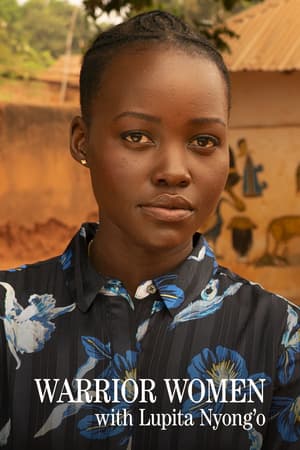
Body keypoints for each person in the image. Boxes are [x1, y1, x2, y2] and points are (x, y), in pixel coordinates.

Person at [0, 10, 299, 450]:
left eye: (203, 141)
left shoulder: (280, 337)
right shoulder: (9, 319)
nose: (174, 172)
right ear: (82, 141)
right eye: (138, 137)